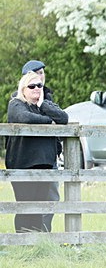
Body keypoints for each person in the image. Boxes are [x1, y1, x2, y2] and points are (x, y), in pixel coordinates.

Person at [6, 69, 69, 232]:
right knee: (25, 204)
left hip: (45, 163)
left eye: (39, 85)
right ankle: (22, 239)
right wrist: (49, 121)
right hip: (22, 163)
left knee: (40, 205)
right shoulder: (16, 104)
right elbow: (25, 118)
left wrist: (42, 105)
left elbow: (63, 118)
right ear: (23, 89)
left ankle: (37, 241)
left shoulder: (45, 104)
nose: (36, 89)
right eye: (31, 86)